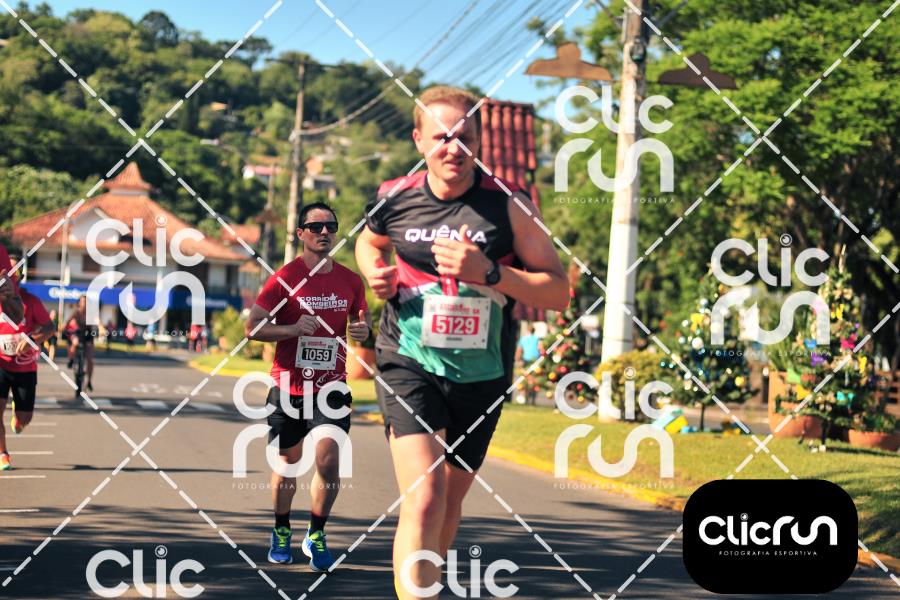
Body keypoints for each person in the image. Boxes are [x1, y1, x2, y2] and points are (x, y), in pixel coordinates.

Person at [355, 86, 568, 598]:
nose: (454, 148)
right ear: (418, 140)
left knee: (449, 502)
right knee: (425, 495)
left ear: (480, 141)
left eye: (465, 137)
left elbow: (559, 292)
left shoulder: (508, 205)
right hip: (408, 359)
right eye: (441, 137)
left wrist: (490, 272)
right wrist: (374, 271)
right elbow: (368, 240)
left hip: (482, 373)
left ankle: (425, 585)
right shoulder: (395, 196)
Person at [246, 202, 370, 571]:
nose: (324, 232)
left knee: (328, 461)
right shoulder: (284, 278)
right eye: (315, 227)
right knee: (288, 463)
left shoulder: (351, 280)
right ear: (301, 233)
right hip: (289, 385)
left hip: (332, 387)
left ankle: (316, 534)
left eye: (331, 226)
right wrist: (292, 329)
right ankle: (281, 529)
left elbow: (360, 323)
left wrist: (362, 330)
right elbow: (253, 327)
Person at [0, 259, 53, 470]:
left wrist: (32, 340)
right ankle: (3, 454)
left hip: (25, 367)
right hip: (1, 364)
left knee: (25, 418)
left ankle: (19, 418)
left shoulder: (30, 301)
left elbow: (49, 327)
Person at [65, 296, 97, 392]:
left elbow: (98, 321)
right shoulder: (76, 312)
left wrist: (102, 327)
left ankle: (89, 381)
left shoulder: (91, 313)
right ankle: (71, 360)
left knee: (90, 359)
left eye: (86, 302)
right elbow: (67, 322)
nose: (84, 303)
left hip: (88, 336)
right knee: (75, 342)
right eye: (82, 301)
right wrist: (61, 328)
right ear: (79, 303)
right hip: (78, 334)